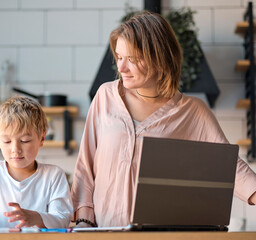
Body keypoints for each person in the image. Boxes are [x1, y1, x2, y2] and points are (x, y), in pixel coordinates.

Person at [71, 11, 256, 228]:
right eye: (119, 57)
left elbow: (229, 167)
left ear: (160, 59)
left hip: (162, 233)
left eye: (132, 59)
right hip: (104, 231)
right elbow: (86, 166)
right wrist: (83, 220)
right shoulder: (105, 96)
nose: (121, 68)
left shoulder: (192, 111)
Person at [0, 96, 73, 230]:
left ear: (42, 138)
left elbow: (63, 220)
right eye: (6, 141)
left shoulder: (53, 175)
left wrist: (37, 218)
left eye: (25, 140)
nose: (15, 149)